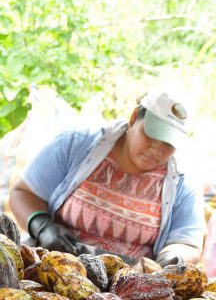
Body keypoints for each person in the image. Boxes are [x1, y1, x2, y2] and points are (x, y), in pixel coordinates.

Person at [9, 90, 205, 266]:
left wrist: (171, 259)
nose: (157, 149)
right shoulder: (77, 144)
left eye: (168, 143)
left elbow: (188, 244)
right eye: (151, 135)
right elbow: (23, 193)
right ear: (134, 117)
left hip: (129, 286)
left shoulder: (182, 183)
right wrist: (42, 226)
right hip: (55, 268)